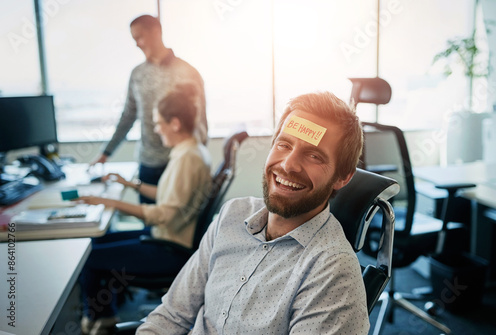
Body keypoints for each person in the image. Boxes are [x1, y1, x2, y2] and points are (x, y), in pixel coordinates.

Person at [137, 91, 370, 334]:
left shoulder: (332, 272)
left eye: (314, 156)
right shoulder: (232, 215)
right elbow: (173, 315)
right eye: (284, 144)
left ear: (343, 178)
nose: (289, 164)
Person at [78, 84, 212, 335]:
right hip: (168, 239)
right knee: (97, 241)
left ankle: (101, 321)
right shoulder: (191, 151)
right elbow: (167, 195)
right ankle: (106, 314)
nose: (155, 128)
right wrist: (128, 183)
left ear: (174, 123)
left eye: (158, 123)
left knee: (88, 257)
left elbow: (162, 214)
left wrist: (110, 202)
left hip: (169, 249)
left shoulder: (187, 159)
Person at [91, 14, 208, 203]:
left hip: (177, 161)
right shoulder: (137, 74)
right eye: (134, 39)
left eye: (140, 37)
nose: (137, 44)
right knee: (150, 223)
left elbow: (200, 121)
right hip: (148, 162)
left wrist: (196, 160)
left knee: (170, 222)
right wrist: (106, 153)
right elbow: (128, 116)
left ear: (156, 32)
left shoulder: (187, 72)